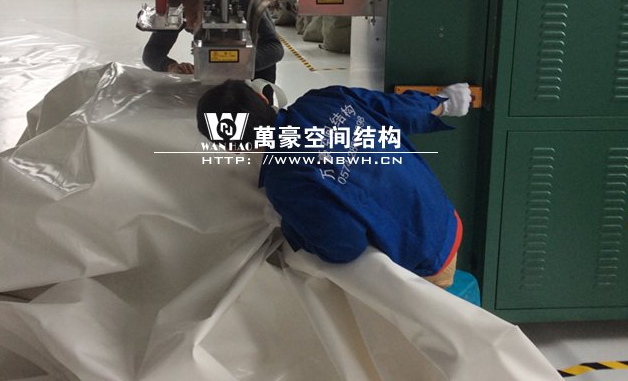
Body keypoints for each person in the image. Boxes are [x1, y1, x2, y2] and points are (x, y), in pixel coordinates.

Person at [196, 80, 472, 288]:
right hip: (445, 215)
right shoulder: (326, 99)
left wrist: (292, 228)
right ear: (261, 97)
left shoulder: (284, 180)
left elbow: (345, 246)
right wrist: (443, 103)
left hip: (427, 258)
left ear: (231, 146)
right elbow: (396, 108)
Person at [142, 0, 284, 82]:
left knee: (259, 103)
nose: (189, 25)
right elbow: (151, 52)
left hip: (256, 57)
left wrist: (242, 65)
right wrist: (170, 66)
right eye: (184, 19)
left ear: (205, 3)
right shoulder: (178, 6)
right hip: (219, 67)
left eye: (195, 17)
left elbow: (274, 47)